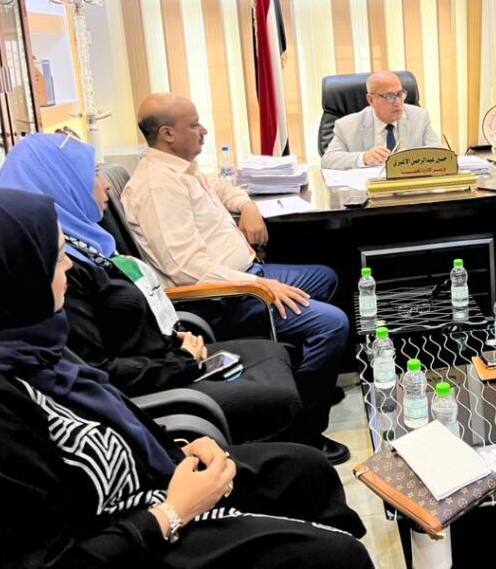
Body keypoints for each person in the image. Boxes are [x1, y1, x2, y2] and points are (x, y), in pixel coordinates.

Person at [0, 188, 371, 569]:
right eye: (55, 258)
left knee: (304, 469)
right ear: (3, 277)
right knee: (335, 558)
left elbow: (107, 420)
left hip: (146, 488)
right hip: (134, 536)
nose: (69, 267)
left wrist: (175, 449)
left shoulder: (27, 345)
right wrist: (174, 512)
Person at [0, 132, 309, 449]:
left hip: (162, 357)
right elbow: (98, 370)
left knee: (274, 356)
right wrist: (181, 361)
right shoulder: (61, 274)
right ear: (62, 186)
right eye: (92, 175)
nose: (106, 185)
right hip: (152, 390)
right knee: (287, 413)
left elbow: (124, 325)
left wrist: (174, 339)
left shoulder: (90, 244)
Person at [122, 93, 350, 464]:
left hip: (246, 277)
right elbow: (185, 268)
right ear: (167, 133)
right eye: (194, 125)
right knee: (331, 324)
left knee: (325, 278)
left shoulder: (182, 167)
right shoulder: (158, 187)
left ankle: (309, 385)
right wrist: (259, 286)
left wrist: (246, 206)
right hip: (222, 299)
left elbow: (222, 187)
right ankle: (303, 430)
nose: (203, 130)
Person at [321, 71, 443, 169]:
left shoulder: (420, 117)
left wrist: (412, 158)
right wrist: (363, 158)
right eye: (390, 96)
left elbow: (439, 152)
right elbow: (328, 160)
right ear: (371, 100)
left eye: (400, 94)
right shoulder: (347, 126)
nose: (397, 102)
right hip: (368, 189)